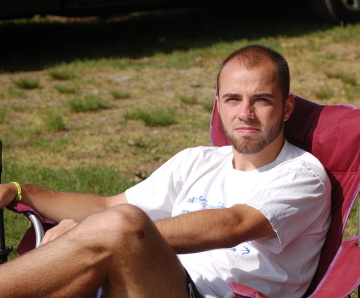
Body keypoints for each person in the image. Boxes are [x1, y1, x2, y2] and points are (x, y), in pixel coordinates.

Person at [0, 45, 331, 298]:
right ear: (218, 103)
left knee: (123, 226)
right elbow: (105, 207)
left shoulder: (302, 175)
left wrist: (101, 234)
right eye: (233, 99)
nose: (245, 113)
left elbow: (233, 224)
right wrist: (20, 190)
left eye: (261, 100)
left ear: (287, 107)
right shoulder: (197, 162)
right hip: (151, 282)